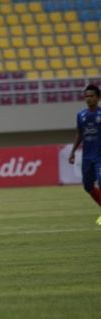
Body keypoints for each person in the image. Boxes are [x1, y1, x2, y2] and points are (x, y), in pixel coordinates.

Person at [67, 84, 101, 224]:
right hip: (87, 157)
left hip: (100, 157)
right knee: (87, 186)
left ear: (98, 98)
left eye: (92, 96)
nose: (89, 99)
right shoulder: (81, 115)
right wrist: (73, 151)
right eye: (86, 96)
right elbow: (79, 134)